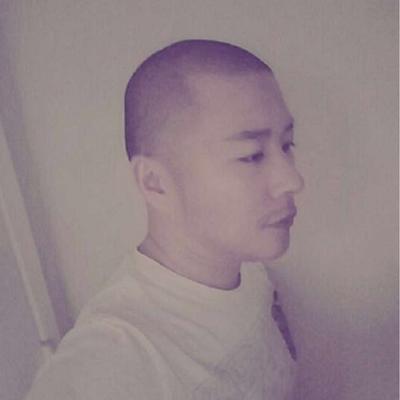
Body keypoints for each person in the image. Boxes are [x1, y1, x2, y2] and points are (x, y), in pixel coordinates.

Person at [26, 39, 304, 400]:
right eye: (251, 156)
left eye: (287, 145)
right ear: (155, 183)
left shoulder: (253, 272)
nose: (293, 180)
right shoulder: (112, 363)